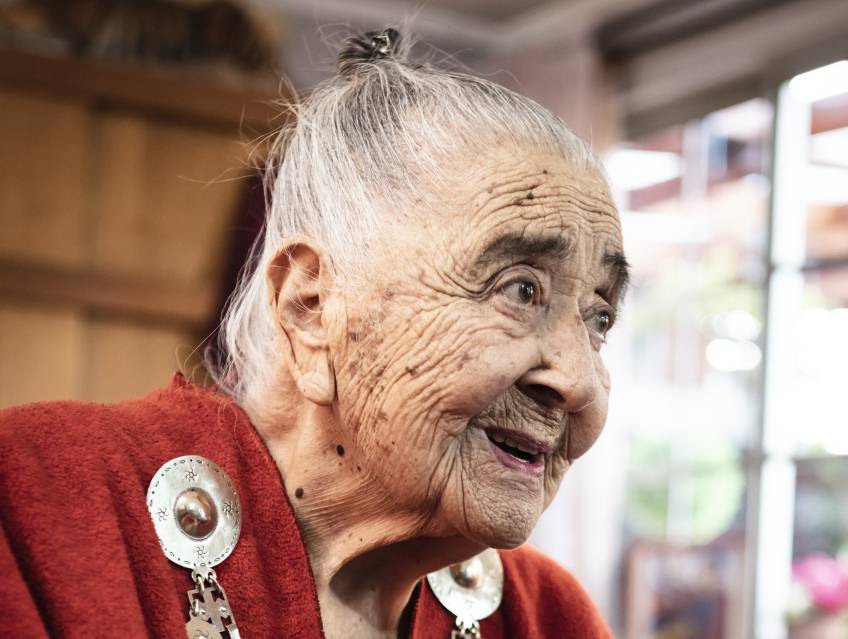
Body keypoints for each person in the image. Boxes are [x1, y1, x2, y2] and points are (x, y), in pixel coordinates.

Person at [0, 27, 628, 638]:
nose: (576, 384)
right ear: (311, 306)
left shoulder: (545, 616)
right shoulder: (41, 506)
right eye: (520, 290)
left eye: (599, 317)